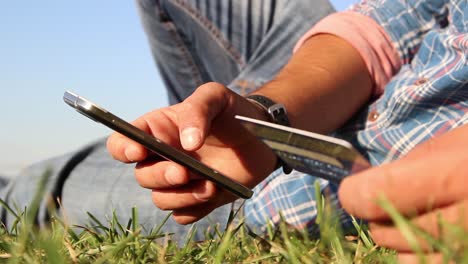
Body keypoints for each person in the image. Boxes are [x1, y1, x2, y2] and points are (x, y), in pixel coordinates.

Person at [2, 0, 467, 262]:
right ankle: (235, 106)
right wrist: (266, 113)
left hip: (318, 179)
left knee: (49, 187)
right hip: (323, 95)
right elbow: (396, 22)